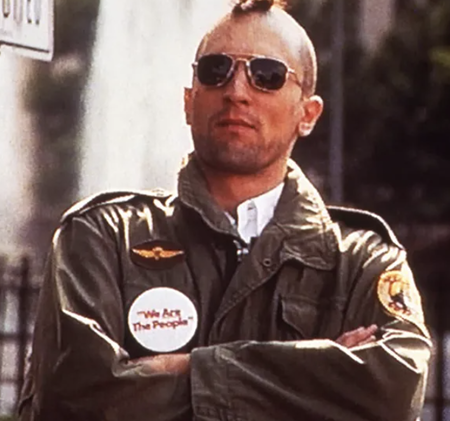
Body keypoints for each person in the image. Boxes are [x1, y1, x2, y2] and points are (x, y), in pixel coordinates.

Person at [19, 0, 431, 420]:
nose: (236, 91)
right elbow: (76, 398)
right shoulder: (103, 237)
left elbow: (392, 393)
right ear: (189, 101)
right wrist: (318, 372)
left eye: (267, 76)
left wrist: (182, 368)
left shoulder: (362, 262)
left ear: (307, 114)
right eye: (215, 70)